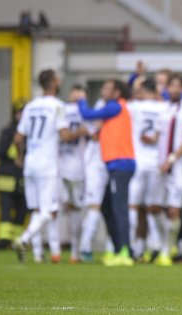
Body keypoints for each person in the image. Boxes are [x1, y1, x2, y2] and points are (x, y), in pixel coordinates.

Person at [13, 69, 87, 263]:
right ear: (54, 83)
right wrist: (81, 131)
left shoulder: (30, 106)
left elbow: (18, 137)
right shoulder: (57, 106)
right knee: (48, 210)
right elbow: (64, 135)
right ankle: (24, 239)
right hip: (48, 164)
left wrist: (20, 156)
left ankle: (38, 256)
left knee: (36, 210)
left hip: (30, 163)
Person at [78, 79, 136, 267]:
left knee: (120, 209)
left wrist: (81, 99)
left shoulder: (115, 107)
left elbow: (87, 114)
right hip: (113, 165)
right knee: (106, 207)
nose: (103, 91)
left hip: (121, 164)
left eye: (106, 89)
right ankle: (120, 249)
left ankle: (125, 251)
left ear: (117, 92)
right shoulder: (115, 107)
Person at [153, 73, 182, 267]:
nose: (174, 90)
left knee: (174, 209)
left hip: (180, 167)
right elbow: (158, 137)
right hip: (163, 166)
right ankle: (169, 245)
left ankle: (167, 249)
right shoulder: (164, 109)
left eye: (178, 86)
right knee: (156, 208)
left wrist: (172, 159)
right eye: (171, 86)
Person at [127, 79, 168, 261]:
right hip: (157, 163)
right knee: (154, 207)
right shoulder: (165, 108)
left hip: (138, 161)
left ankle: (135, 248)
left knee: (134, 207)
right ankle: (156, 245)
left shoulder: (134, 106)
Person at [78, 98, 113, 263]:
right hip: (95, 168)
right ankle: (85, 247)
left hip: (109, 166)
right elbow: (93, 136)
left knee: (112, 209)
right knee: (94, 207)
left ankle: (111, 248)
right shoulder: (96, 131)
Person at [59, 85, 88, 263]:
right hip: (70, 166)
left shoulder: (61, 109)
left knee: (68, 208)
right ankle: (71, 249)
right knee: (72, 208)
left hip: (71, 166)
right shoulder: (86, 112)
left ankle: (70, 249)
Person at [0, 107, 28, 250]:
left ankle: (17, 240)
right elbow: (3, 151)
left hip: (22, 177)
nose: (21, 116)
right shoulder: (7, 131)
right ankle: (4, 238)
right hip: (7, 177)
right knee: (6, 209)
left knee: (22, 210)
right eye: (19, 113)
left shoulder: (30, 132)